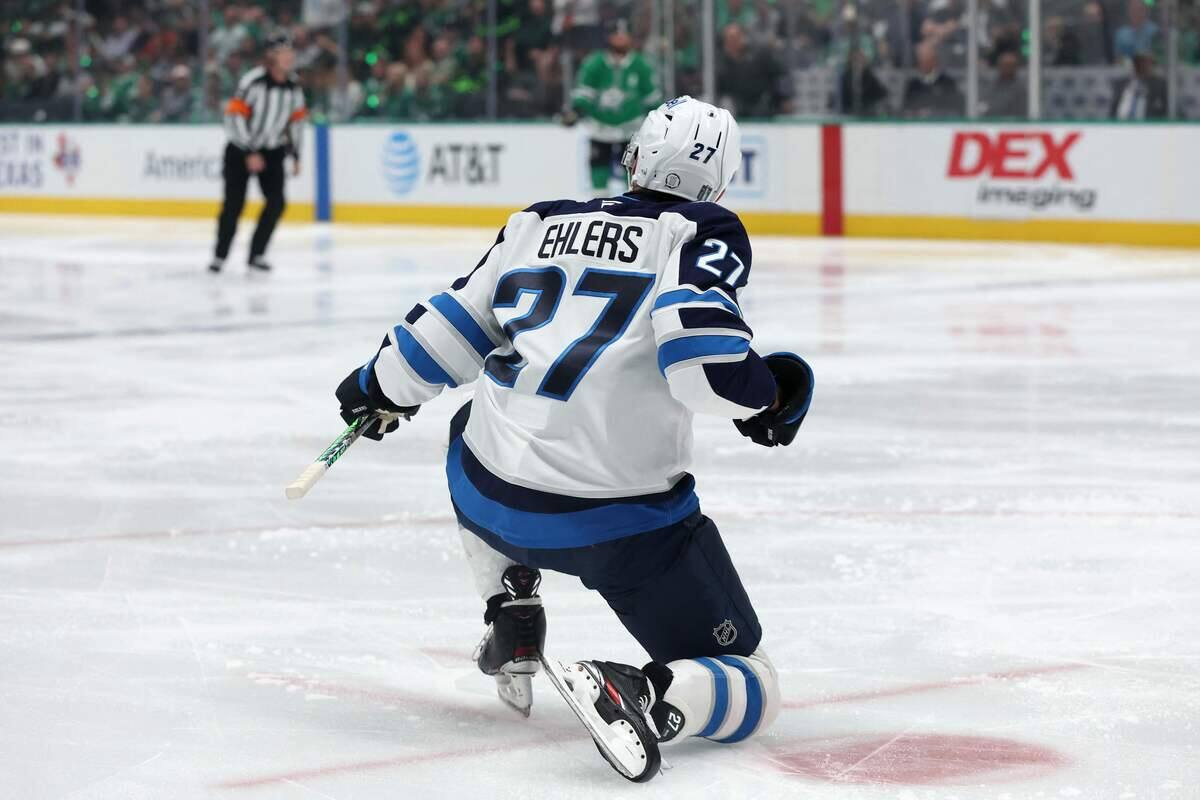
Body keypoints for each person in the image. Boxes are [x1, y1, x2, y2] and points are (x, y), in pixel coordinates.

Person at [332, 96, 813, 781]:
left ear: (634, 157)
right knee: (753, 685)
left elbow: (447, 334)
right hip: (622, 530)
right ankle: (648, 694)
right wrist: (771, 394)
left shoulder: (538, 221)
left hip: (491, 498)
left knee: (471, 427)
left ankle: (508, 607)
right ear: (722, 182)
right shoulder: (703, 229)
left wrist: (375, 389)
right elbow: (704, 366)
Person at [208, 34, 306, 273]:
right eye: (283, 52)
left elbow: (296, 123)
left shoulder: (293, 87)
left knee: (277, 203)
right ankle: (220, 256)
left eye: (290, 52)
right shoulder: (253, 82)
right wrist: (249, 150)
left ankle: (257, 254)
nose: (289, 57)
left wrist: (296, 154)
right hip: (240, 151)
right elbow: (234, 117)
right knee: (234, 205)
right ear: (271, 56)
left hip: (272, 151)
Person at [568, 24, 659, 196]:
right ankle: (598, 205)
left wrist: (659, 119)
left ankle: (634, 205)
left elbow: (652, 97)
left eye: (624, 34)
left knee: (634, 172)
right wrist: (577, 110)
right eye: (616, 35)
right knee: (598, 169)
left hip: (631, 129)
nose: (620, 39)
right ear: (609, 38)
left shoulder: (641, 64)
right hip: (600, 127)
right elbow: (584, 92)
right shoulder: (595, 62)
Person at [902, 40, 964, 118]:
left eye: (926, 57)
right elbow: (906, 110)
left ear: (934, 59)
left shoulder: (948, 83)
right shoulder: (913, 85)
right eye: (920, 58)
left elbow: (954, 108)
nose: (922, 61)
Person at [1110, 51, 1167, 120]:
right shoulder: (1121, 83)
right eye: (1138, 62)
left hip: (1145, 124)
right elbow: (1113, 108)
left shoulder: (1158, 85)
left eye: (1147, 63)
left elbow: (1164, 110)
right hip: (1119, 124)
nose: (1142, 66)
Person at [980, 49, 1027, 118]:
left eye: (1011, 65)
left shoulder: (1021, 87)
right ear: (999, 66)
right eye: (1005, 65)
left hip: (1013, 122)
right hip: (992, 121)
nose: (1007, 68)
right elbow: (984, 104)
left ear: (1016, 67)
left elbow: (1022, 111)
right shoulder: (990, 85)